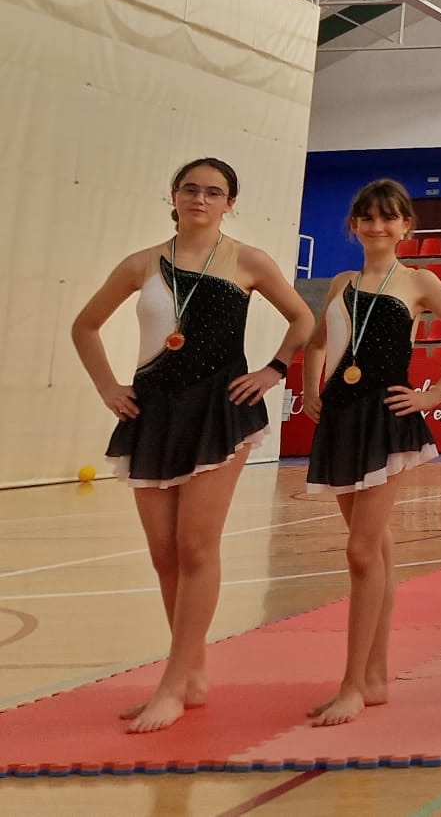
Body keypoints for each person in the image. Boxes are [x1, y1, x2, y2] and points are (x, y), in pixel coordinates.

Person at [70, 156, 316, 733]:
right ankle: (195, 671)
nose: (200, 199)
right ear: (174, 197)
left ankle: (173, 682)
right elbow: (85, 325)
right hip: (153, 412)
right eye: (190, 189)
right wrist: (109, 387)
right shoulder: (140, 264)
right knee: (164, 552)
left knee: (196, 545)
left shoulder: (248, 261)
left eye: (214, 192)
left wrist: (275, 370)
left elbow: (302, 318)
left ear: (231, 203)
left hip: (219, 412)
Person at [299, 179, 441, 726]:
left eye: (389, 218)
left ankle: (353, 683)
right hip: (341, 418)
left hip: (386, 418)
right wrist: (311, 389)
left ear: (406, 227)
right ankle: (373, 679)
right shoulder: (341, 284)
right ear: (353, 225)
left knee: (360, 551)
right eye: (367, 218)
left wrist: (434, 393)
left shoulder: (420, 281)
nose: (377, 227)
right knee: (372, 549)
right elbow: (316, 344)